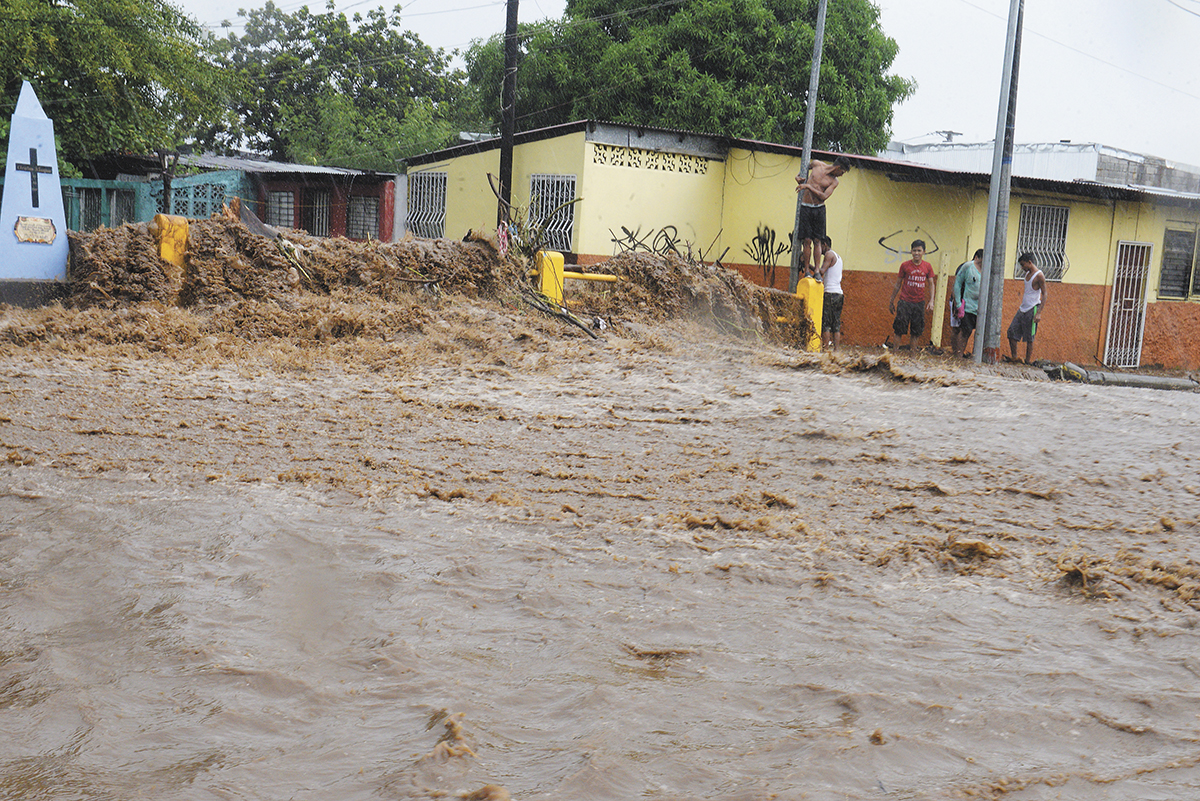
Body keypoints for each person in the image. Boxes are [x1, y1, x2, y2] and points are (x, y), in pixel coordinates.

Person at [794, 156, 852, 277]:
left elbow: (823, 196)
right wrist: (798, 176)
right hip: (806, 206)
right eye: (842, 172)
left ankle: (816, 271)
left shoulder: (834, 181)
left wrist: (808, 186)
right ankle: (806, 271)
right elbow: (804, 169)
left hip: (819, 209)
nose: (841, 175)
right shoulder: (816, 164)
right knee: (807, 240)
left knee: (817, 240)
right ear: (838, 167)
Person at [887, 240, 935, 350]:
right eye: (914, 250)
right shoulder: (905, 266)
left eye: (919, 250)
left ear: (924, 252)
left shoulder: (927, 266)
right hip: (904, 302)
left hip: (919, 303)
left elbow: (931, 284)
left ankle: (913, 358)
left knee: (916, 331)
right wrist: (891, 300)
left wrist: (931, 300)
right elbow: (898, 284)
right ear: (911, 251)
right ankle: (894, 355)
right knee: (899, 329)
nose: (916, 253)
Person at [1007, 253, 1047, 364]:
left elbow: (1045, 294)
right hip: (1023, 308)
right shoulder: (1027, 274)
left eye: (1023, 265)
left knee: (1030, 337)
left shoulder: (1039, 275)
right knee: (1011, 331)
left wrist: (1039, 313)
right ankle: (1014, 357)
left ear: (1030, 262)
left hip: (1033, 308)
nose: (1022, 268)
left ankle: (1028, 361)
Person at [951, 249, 984, 358]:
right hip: (967, 306)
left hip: (980, 308)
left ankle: (975, 357)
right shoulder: (968, 267)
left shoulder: (988, 271)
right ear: (977, 258)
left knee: (977, 333)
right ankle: (958, 356)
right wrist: (958, 304)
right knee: (964, 331)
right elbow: (957, 284)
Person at [815, 235, 844, 351]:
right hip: (839, 294)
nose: (818, 249)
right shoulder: (838, 256)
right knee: (836, 325)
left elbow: (821, 271)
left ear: (824, 245)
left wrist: (811, 267)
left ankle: (825, 350)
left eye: (819, 245)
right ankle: (836, 351)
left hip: (830, 293)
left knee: (826, 324)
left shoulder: (829, 255)